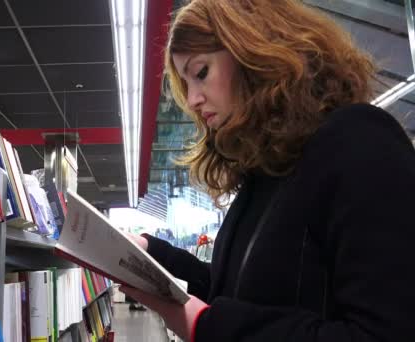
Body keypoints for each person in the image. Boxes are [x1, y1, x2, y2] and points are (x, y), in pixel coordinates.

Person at [120, 0, 415, 341]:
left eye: (201, 73)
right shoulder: (265, 175)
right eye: (186, 85)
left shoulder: (358, 142)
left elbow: (388, 331)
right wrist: (152, 253)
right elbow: (246, 290)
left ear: (255, 52)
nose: (193, 100)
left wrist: (209, 326)